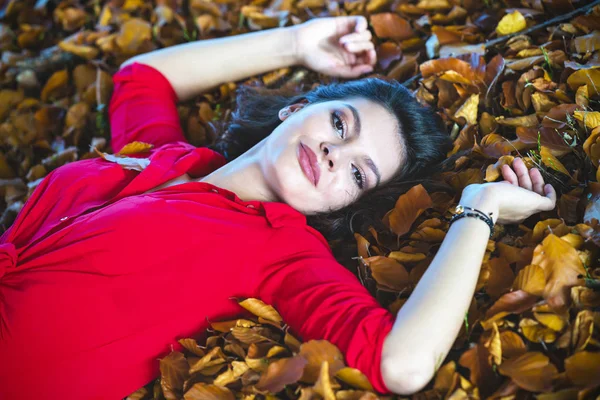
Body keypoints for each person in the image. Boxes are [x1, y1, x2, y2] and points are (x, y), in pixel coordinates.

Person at [0, 15, 556, 399]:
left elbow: (402, 364)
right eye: (341, 124)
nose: (336, 155)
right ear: (294, 109)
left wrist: (477, 210)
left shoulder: (282, 253)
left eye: (359, 172)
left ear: (350, 201)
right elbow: (141, 78)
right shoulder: (170, 159)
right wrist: (297, 44)